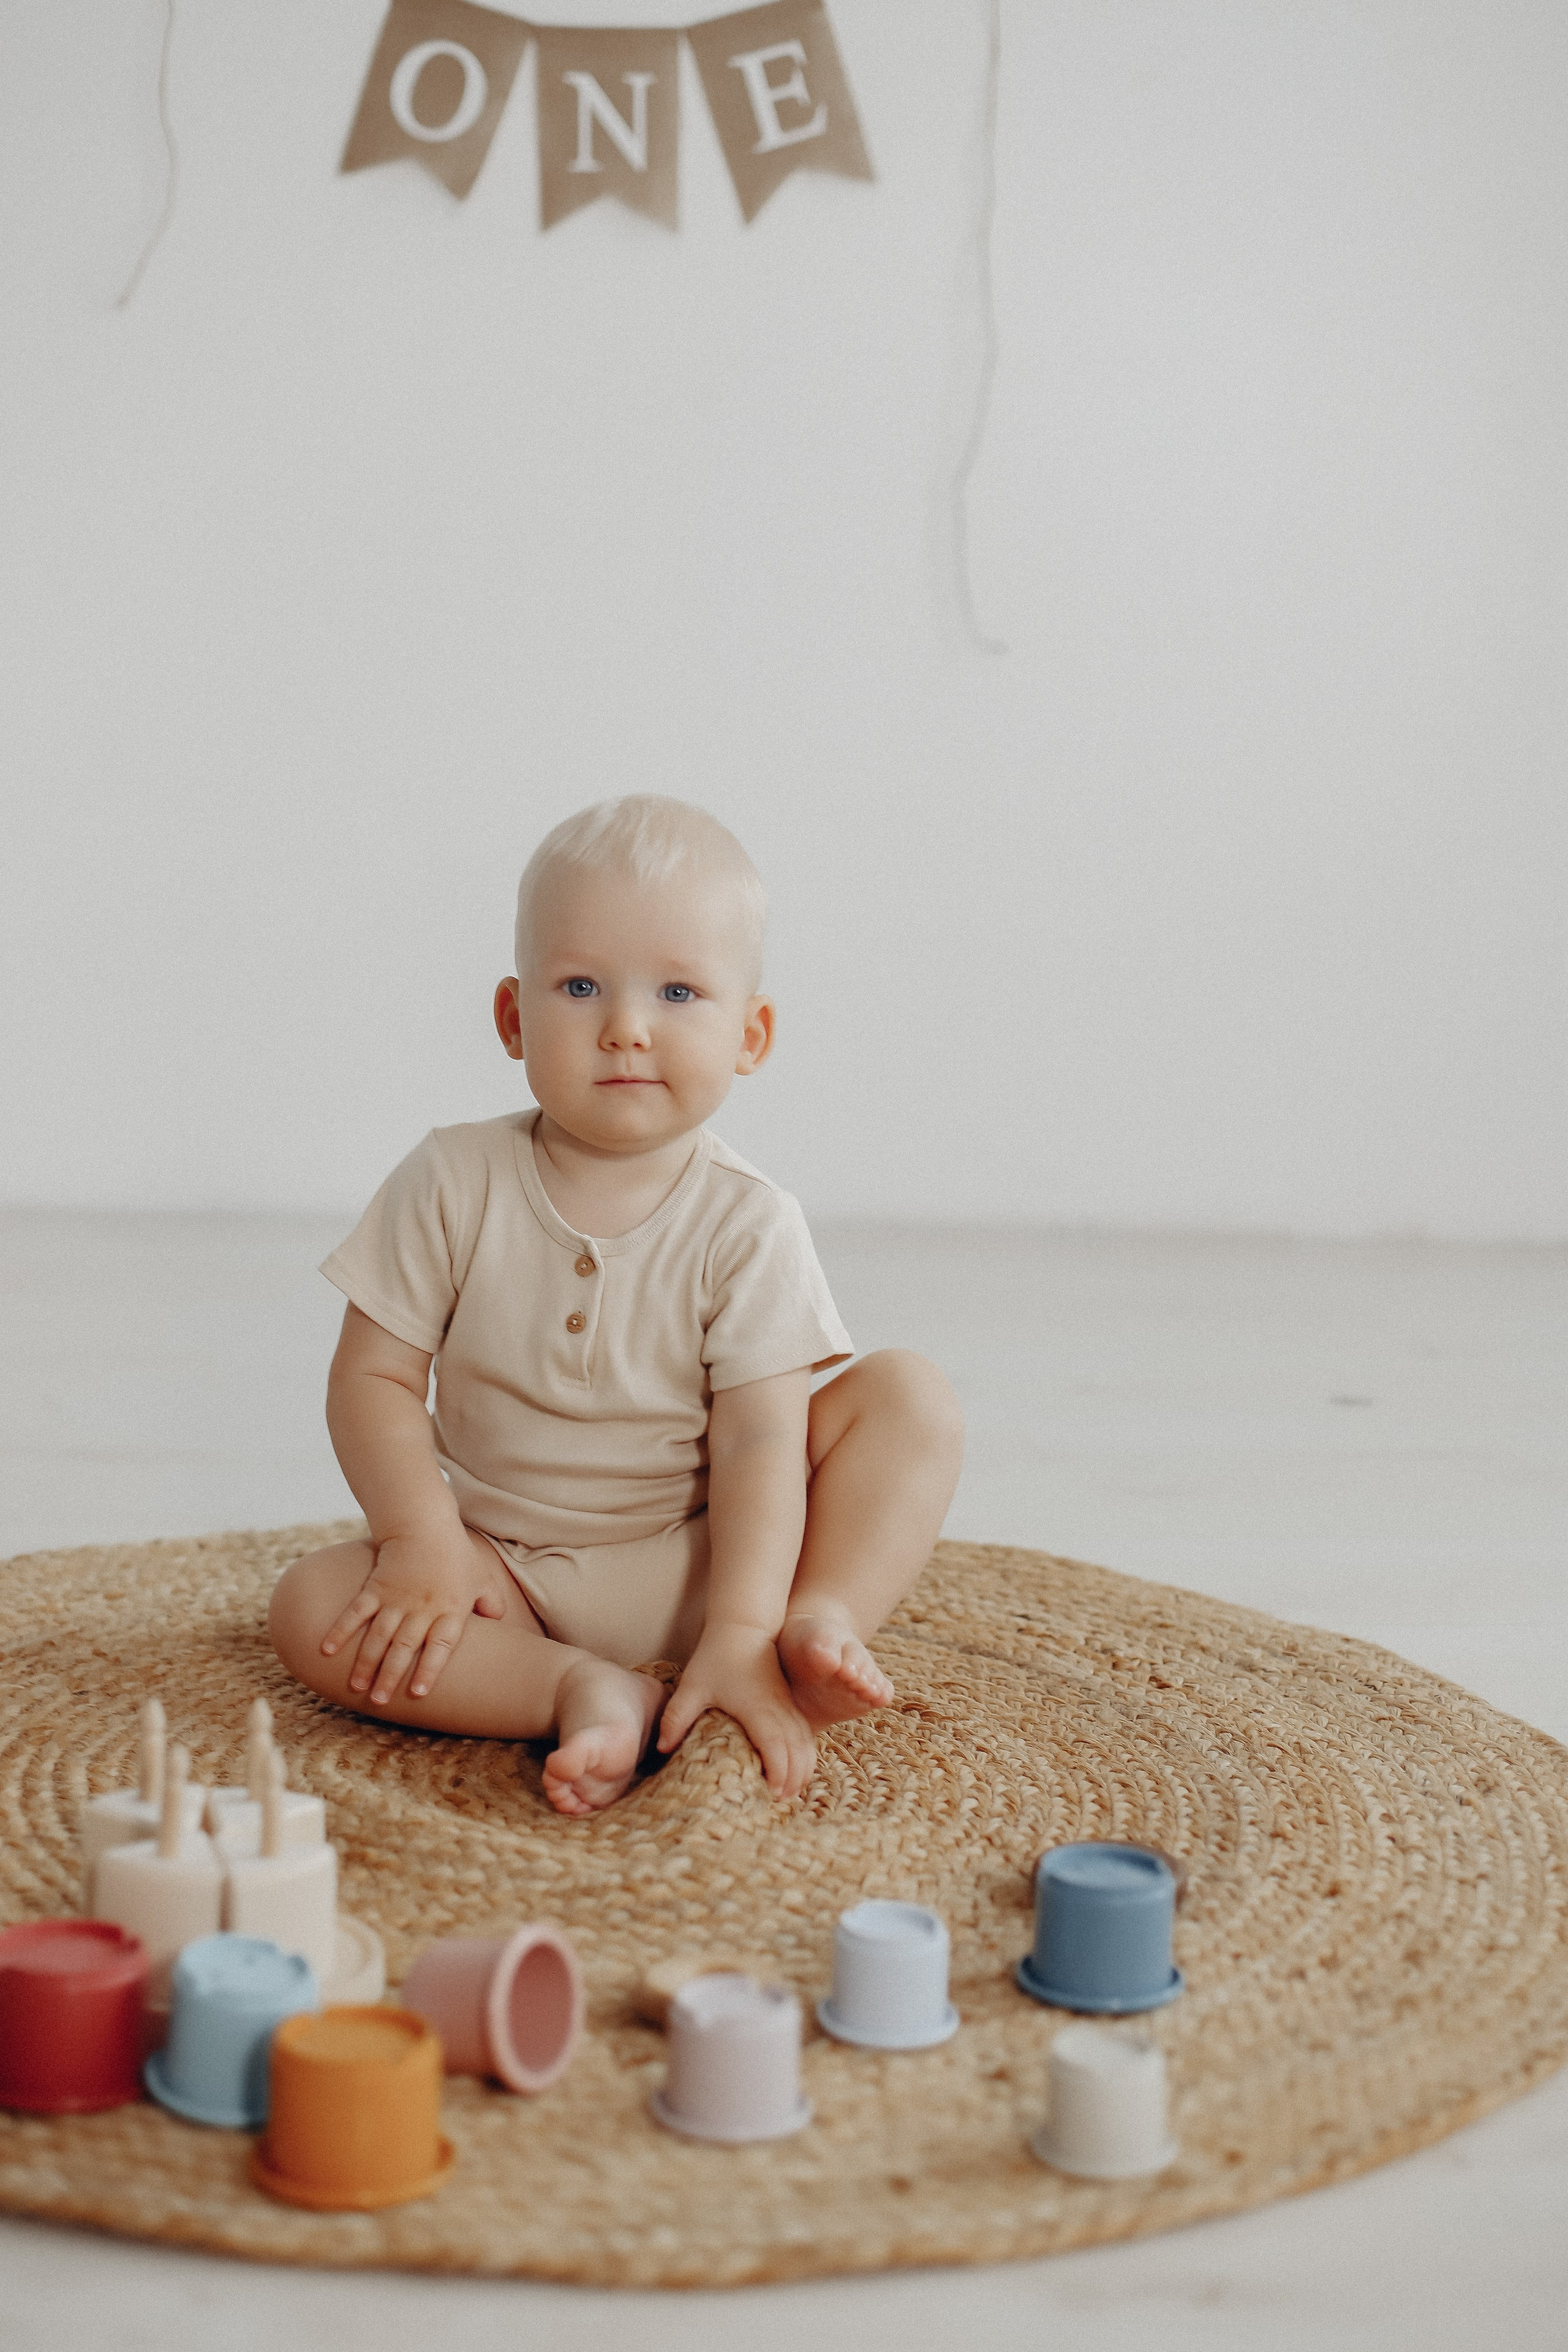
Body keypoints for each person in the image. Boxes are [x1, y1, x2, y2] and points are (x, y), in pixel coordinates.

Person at [268, 796, 964, 1815]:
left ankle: (808, 1628)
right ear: (514, 1019)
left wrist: (739, 1625)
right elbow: (371, 1378)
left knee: (910, 1399)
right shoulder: (451, 1180)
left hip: (702, 1567)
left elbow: (762, 1446)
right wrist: (423, 1540)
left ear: (751, 1035)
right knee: (311, 1605)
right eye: (581, 986)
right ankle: (577, 1688)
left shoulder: (748, 1222)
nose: (627, 1028)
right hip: (502, 1579)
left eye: (679, 992)